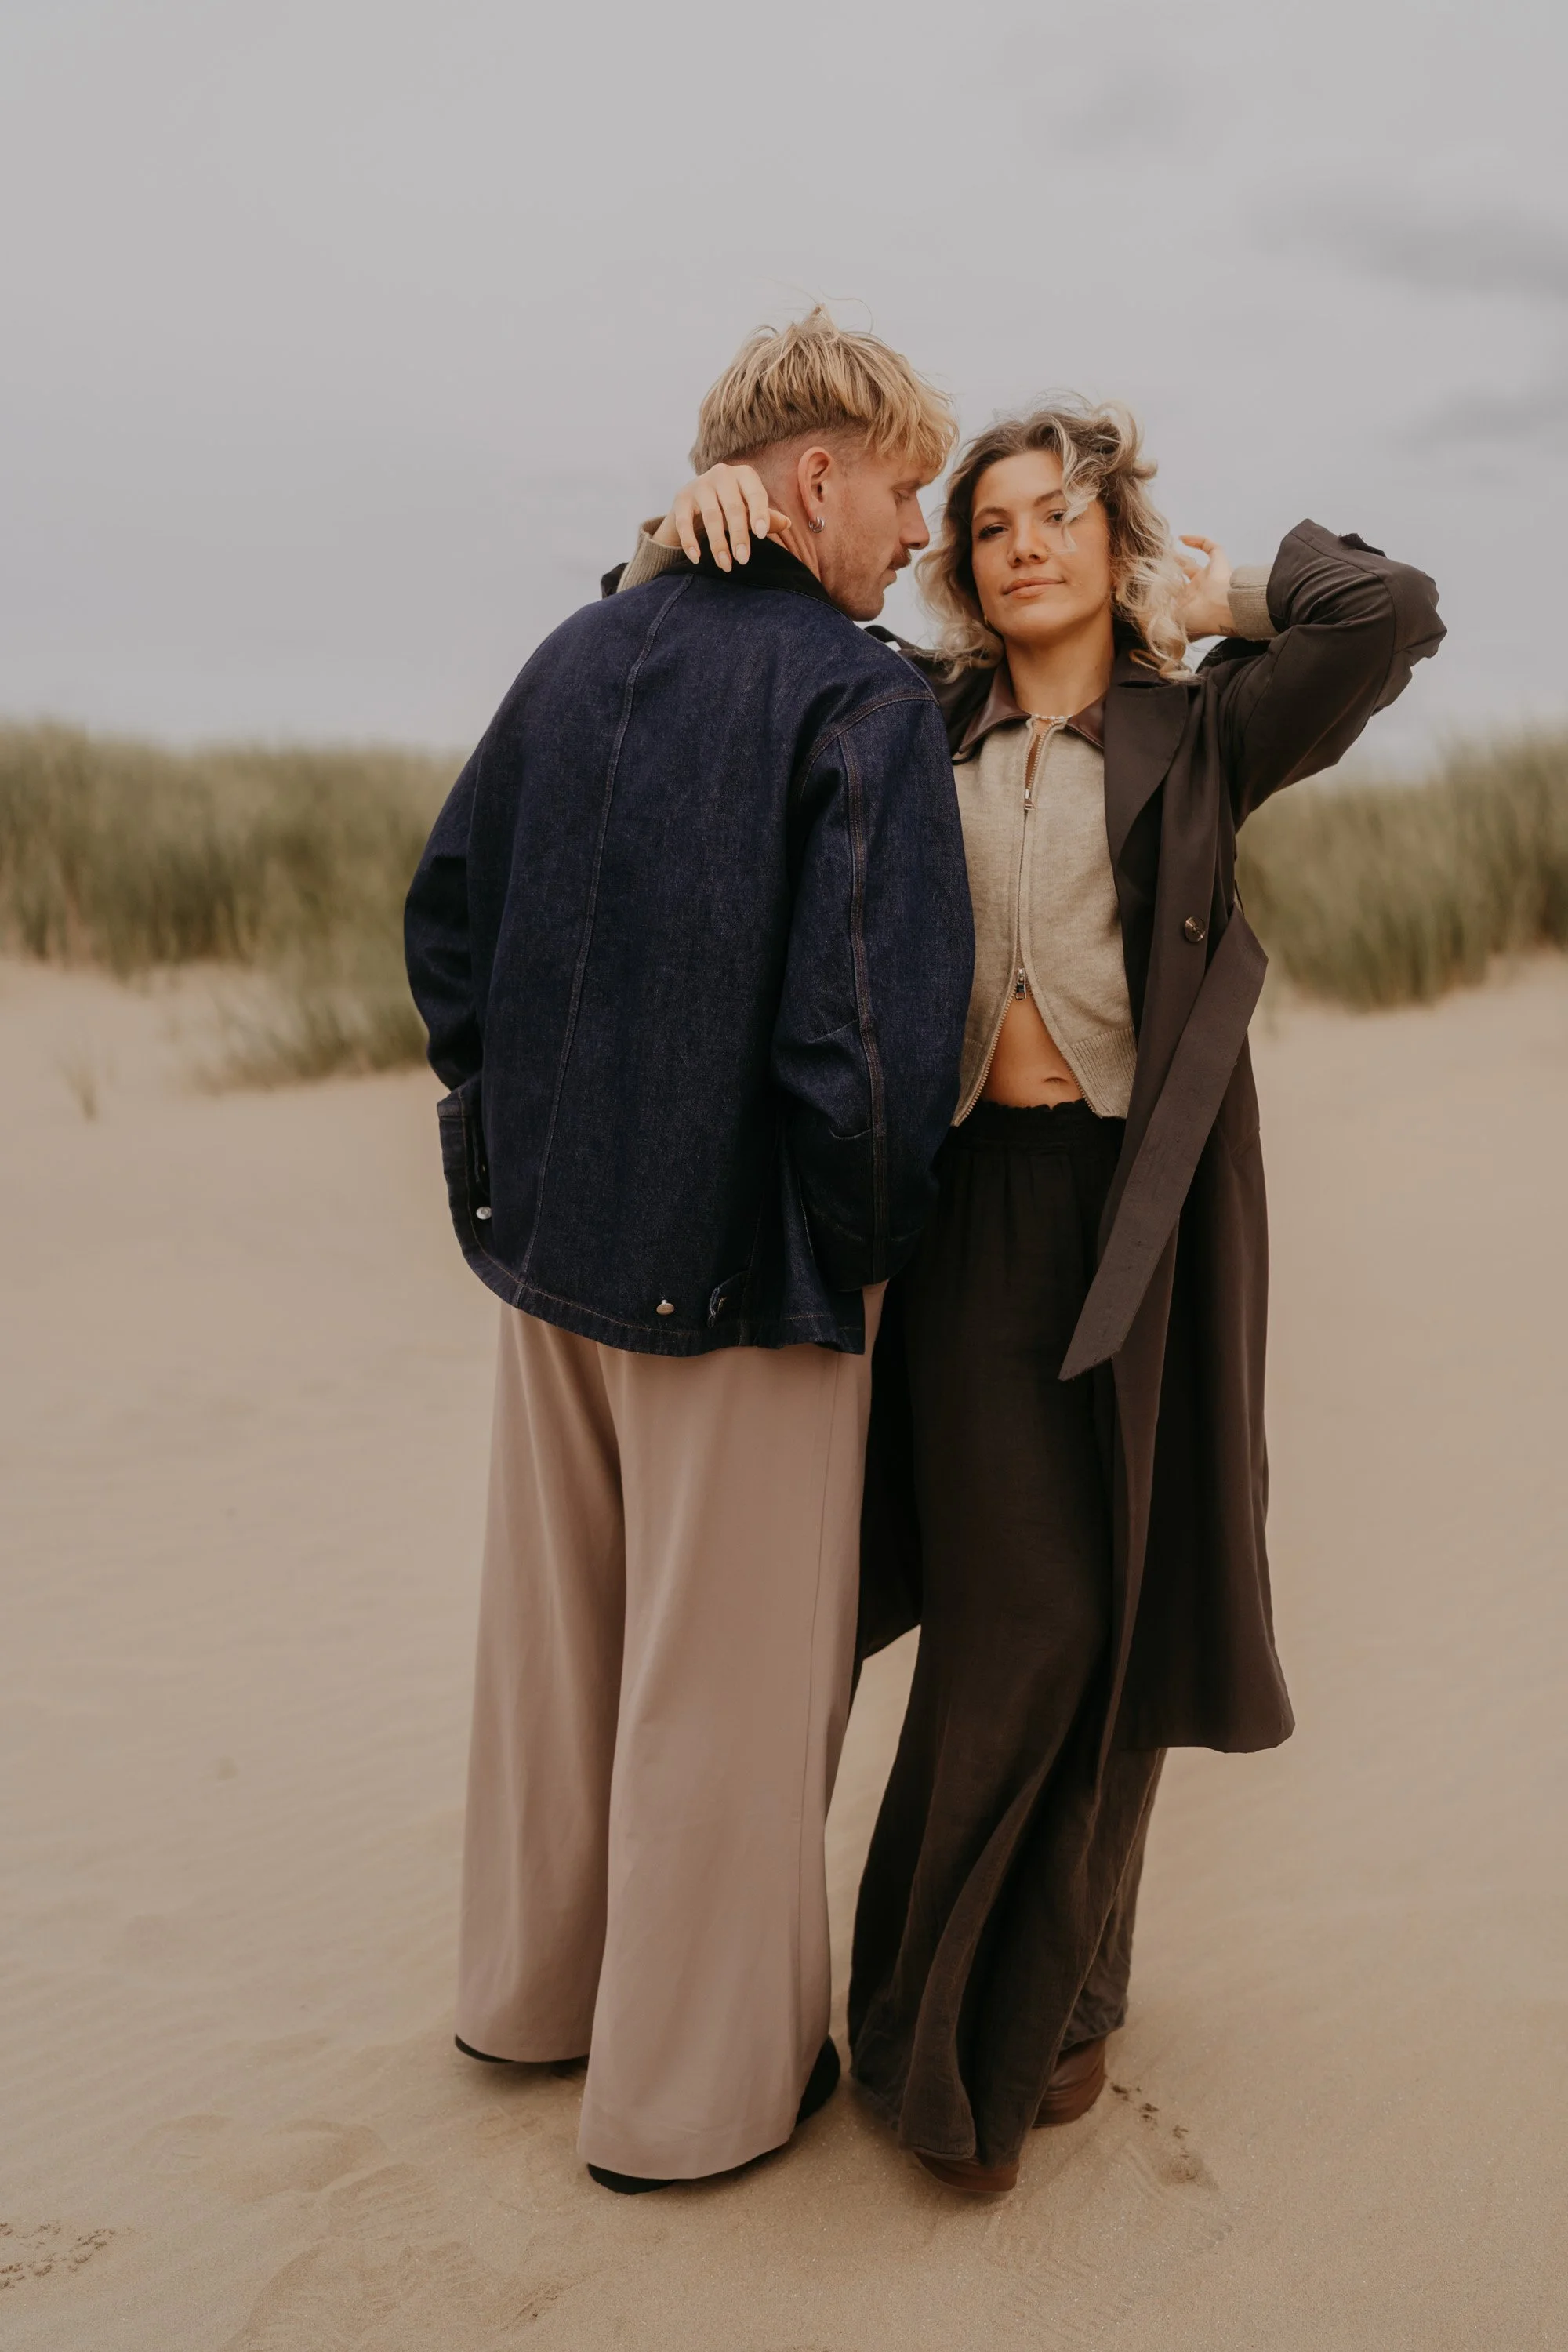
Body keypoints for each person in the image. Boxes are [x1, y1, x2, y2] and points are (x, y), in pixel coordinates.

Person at [615, 397, 1444, 2191]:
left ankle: (1062, 1990)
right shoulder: (904, 714)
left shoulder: (1205, 726)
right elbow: (692, 669)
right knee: (1030, 1613)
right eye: (990, 524)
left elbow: (1387, 613)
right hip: (969, 1212)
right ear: (961, 568)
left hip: (1146, 1214)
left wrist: (1223, 607)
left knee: (1123, 1597)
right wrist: (700, 521)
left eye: (1059, 515)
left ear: (1113, 536)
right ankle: (944, 2004)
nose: (1023, 544)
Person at [402, 310, 973, 2194]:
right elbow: (868, 1043)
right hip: (752, 1282)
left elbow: (447, 925)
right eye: (902, 493)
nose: (920, 536)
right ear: (814, 480)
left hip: (555, 1256)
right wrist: (868, 1256)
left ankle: (525, 2001)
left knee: (558, 1658)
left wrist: (503, 1176)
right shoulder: (861, 697)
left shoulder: (577, 648)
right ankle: (692, 2106)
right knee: (724, 1702)